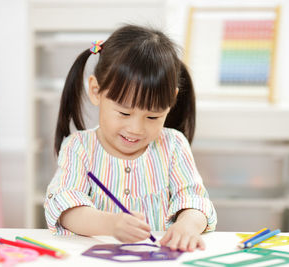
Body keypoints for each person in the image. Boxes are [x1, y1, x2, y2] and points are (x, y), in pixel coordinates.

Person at [44, 24, 217, 252]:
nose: (136, 129)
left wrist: (188, 225)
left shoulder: (173, 145)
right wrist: (111, 224)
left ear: (172, 100)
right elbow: (65, 208)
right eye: (124, 113)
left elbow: (196, 201)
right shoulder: (79, 148)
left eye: (153, 116)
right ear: (96, 91)